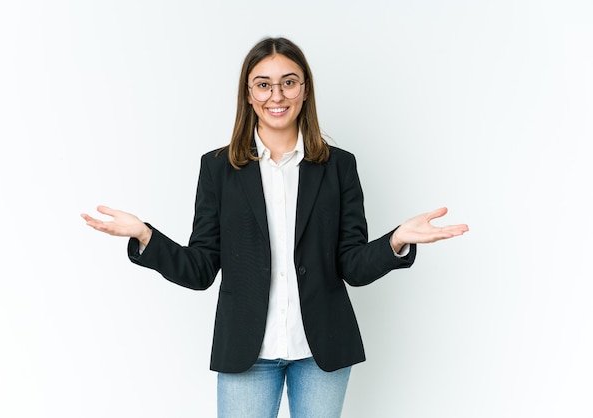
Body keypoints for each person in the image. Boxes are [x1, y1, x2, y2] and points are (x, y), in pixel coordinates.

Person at [81, 37, 468, 418]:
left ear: (304, 90)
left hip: (322, 353)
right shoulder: (218, 169)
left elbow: (352, 266)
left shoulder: (339, 167)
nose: (276, 95)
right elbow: (200, 269)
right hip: (247, 351)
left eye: (288, 81)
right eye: (263, 84)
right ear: (248, 95)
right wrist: (146, 236)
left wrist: (396, 241)